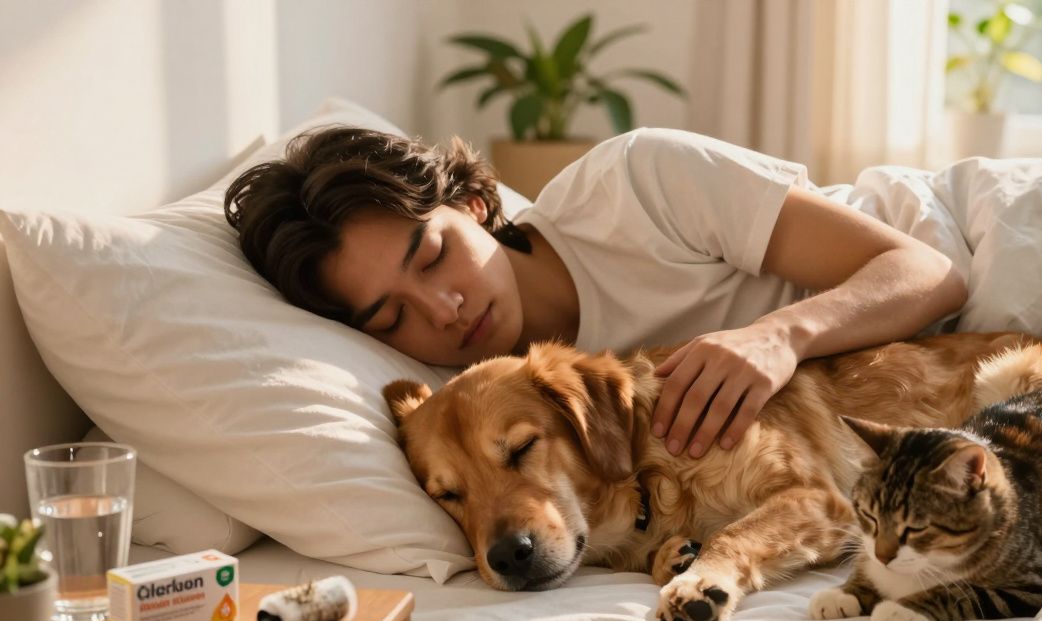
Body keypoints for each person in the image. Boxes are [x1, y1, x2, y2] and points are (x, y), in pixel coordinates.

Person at [224, 126, 967, 461]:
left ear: (473, 206)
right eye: (392, 316)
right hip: (928, 410)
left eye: (434, 257)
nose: (443, 311)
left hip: (990, 253)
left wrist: (777, 336)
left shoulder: (636, 183)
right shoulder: (478, 408)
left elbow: (929, 272)